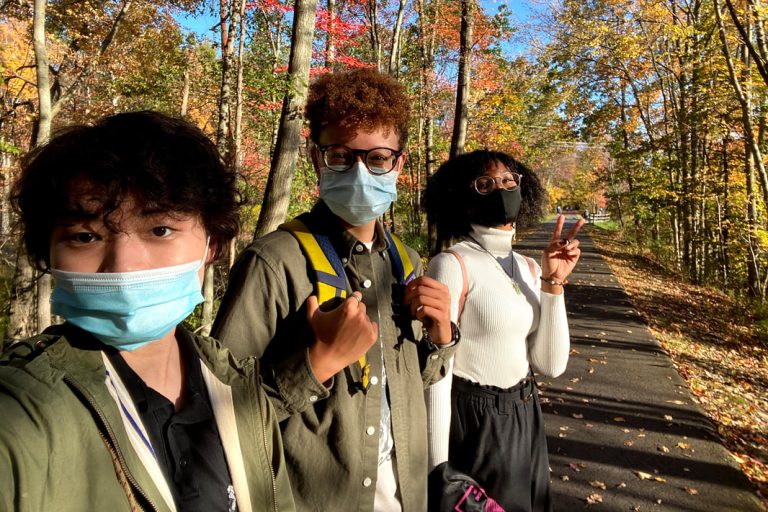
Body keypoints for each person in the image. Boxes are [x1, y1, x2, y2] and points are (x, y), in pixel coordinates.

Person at [1, 111, 295, 512]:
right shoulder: (21, 411)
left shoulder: (238, 387)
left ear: (212, 244)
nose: (123, 266)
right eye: (86, 236)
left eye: (159, 230)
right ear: (48, 254)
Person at [212, 68, 457, 511]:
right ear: (315, 158)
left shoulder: (407, 262)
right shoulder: (273, 263)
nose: (361, 171)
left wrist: (441, 339)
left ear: (399, 163)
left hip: (406, 492)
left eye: (378, 157)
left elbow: (409, 381)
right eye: (342, 156)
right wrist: (314, 364)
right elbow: (221, 411)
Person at [423, 150, 583, 512]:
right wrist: (438, 470)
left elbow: (550, 364)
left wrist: (553, 283)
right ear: (463, 199)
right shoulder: (452, 264)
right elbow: (437, 370)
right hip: (476, 424)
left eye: (509, 181)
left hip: (526, 414)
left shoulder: (528, 266)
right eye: (485, 184)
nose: (501, 189)